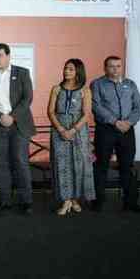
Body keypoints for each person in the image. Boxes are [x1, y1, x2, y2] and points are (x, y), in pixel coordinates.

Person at [0, 43, 36, 215]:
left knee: (20, 162)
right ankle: (5, 201)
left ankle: (26, 201)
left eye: (0, 55)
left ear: (8, 55)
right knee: (1, 164)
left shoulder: (22, 72)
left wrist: (12, 116)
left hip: (18, 125)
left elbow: (27, 98)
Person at [91, 56, 140, 213]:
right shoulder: (97, 84)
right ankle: (98, 201)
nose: (115, 69)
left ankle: (131, 202)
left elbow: (138, 106)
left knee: (127, 166)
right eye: (111, 66)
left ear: (122, 67)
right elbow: (96, 106)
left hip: (127, 130)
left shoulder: (130, 84)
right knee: (101, 165)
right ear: (105, 68)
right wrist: (115, 122)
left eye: (118, 66)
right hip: (106, 130)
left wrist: (129, 122)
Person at [48, 59, 96, 215]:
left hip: (79, 131)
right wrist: (61, 129)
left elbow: (87, 113)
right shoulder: (56, 89)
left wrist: (73, 130)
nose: (66, 71)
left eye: (70, 69)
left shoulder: (85, 90)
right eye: (65, 68)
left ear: (78, 72)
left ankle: (75, 199)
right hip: (59, 129)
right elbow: (50, 111)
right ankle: (65, 200)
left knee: (79, 164)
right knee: (61, 164)